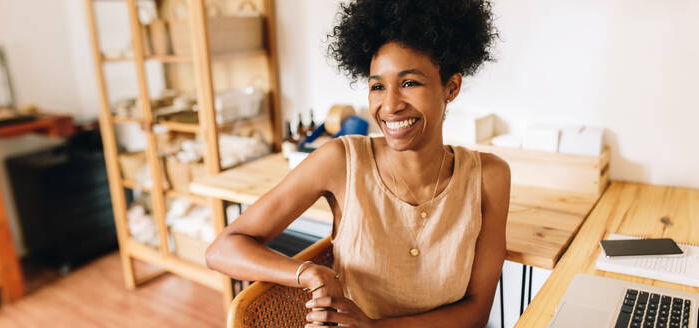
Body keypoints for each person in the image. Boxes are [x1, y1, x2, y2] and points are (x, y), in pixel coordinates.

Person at [205, 0, 509, 326]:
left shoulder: (488, 177)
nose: (389, 106)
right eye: (377, 86)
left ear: (451, 87)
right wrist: (308, 272)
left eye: (409, 83)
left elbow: (476, 314)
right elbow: (222, 248)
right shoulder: (341, 162)